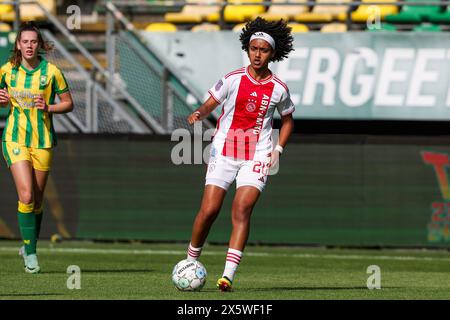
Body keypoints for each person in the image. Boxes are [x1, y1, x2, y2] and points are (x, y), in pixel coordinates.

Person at [185, 17, 295, 291]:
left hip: (257, 154)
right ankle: (190, 261)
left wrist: (278, 149)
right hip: (225, 149)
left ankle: (227, 276)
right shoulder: (233, 79)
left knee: (242, 209)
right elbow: (212, 102)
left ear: (273, 53)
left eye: (263, 50)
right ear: (247, 49)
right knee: (209, 210)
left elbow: (289, 120)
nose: (257, 54)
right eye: (253, 48)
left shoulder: (279, 88)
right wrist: (200, 112)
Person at [0, 21, 73, 273]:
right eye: (25, 41)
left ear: (39, 45)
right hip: (14, 139)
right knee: (27, 195)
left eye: (33, 42)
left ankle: (27, 245)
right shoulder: (7, 70)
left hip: (42, 141)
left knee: (38, 200)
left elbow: (68, 103)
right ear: (18, 45)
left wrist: (49, 107)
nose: (29, 46)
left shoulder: (51, 71)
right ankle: (31, 254)